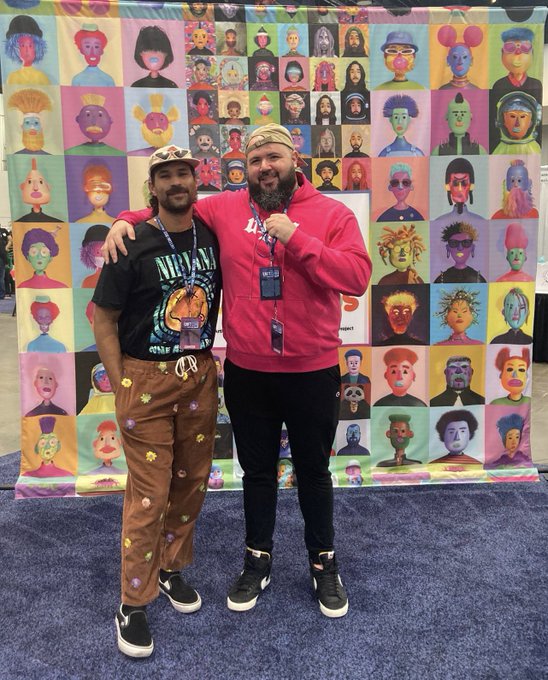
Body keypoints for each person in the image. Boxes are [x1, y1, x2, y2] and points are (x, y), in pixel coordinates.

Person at [103, 123, 372, 619]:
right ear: (243, 169)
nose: (265, 168)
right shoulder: (225, 207)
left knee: (314, 471)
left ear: (295, 161)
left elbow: (357, 276)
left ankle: (323, 563)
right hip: (248, 371)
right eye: (255, 161)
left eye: (273, 157)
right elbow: (172, 207)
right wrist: (125, 218)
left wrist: (298, 239)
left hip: (312, 370)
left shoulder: (332, 214)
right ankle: (256, 560)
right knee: (257, 473)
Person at [92, 145, 221, 657]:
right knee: (149, 493)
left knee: (190, 482)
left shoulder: (212, 233)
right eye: (165, 176)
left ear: (196, 181)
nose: (176, 183)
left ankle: (170, 569)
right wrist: (122, 381)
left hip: (198, 375)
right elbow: (103, 319)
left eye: (183, 173)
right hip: (145, 379)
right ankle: (133, 602)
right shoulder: (131, 241)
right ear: (153, 187)